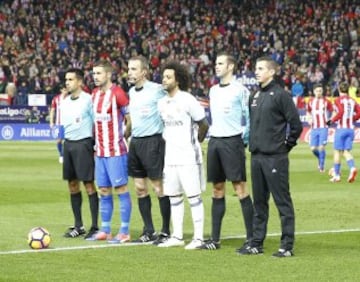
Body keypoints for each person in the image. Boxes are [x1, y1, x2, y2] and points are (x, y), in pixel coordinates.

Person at [239, 56, 303, 257]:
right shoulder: (255, 95)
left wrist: (285, 147)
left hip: (275, 157)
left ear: (272, 72)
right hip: (256, 157)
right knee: (259, 202)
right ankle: (256, 243)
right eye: (255, 68)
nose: (256, 71)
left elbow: (296, 125)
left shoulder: (281, 95)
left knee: (282, 201)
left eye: (260, 68)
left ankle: (287, 246)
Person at [199, 52, 254, 251]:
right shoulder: (213, 90)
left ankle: (251, 238)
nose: (217, 66)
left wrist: (243, 140)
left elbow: (249, 117)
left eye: (221, 63)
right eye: (216, 63)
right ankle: (214, 239)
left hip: (233, 142)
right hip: (215, 141)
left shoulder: (241, 90)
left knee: (240, 188)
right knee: (217, 189)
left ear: (231, 67)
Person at [156, 61, 209, 249]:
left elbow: (203, 124)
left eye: (168, 77)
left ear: (177, 80)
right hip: (170, 157)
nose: (164, 79)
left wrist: (195, 143)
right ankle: (177, 236)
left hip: (188, 157)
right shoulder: (161, 103)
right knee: (174, 197)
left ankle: (198, 238)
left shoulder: (188, 100)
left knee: (193, 197)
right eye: (163, 76)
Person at [125, 55, 171, 244]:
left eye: (134, 69)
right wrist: (126, 134)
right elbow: (132, 119)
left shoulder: (157, 90)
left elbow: (173, 102)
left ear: (144, 71)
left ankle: (166, 230)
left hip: (153, 142)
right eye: (129, 69)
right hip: (135, 142)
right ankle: (148, 230)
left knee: (159, 188)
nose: (130, 72)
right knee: (139, 188)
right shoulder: (131, 92)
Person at [89, 59, 132, 243]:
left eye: (99, 73)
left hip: (116, 151)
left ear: (108, 74)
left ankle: (124, 231)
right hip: (100, 151)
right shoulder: (94, 94)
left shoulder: (118, 94)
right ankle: (105, 230)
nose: (95, 77)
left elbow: (130, 119)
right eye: (94, 74)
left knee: (121, 188)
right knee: (104, 190)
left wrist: (123, 137)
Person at [60, 68, 99, 239]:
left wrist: (96, 146)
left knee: (89, 185)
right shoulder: (65, 101)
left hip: (84, 144)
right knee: (72, 185)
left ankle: (95, 226)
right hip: (68, 144)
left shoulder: (89, 100)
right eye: (66, 79)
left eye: (70, 79)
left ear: (80, 82)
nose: (67, 82)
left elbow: (97, 123)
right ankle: (78, 225)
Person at [327, 82, 360, 183]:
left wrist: (332, 121)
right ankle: (352, 168)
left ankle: (336, 175)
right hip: (351, 129)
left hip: (341, 129)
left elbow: (340, 112)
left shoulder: (338, 100)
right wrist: (353, 118)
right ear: (348, 90)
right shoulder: (353, 100)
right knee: (346, 151)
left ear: (339, 89)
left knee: (337, 151)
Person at [306, 83, 333, 172]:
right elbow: (308, 112)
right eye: (317, 91)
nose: (318, 92)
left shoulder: (326, 101)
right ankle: (320, 158)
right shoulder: (310, 102)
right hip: (314, 128)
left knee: (321, 147)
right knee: (313, 148)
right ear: (314, 92)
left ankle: (321, 165)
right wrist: (309, 119)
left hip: (323, 128)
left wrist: (330, 120)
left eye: (320, 91)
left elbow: (333, 111)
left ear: (322, 92)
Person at [49, 84, 68, 164]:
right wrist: (51, 121)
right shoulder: (56, 99)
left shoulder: (70, 98)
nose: (65, 91)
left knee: (67, 141)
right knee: (58, 140)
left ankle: (65, 156)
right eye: (64, 90)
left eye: (66, 90)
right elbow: (53, 111)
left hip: (68, 123)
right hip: (59, 123)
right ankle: (61, 154)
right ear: (61, 90)